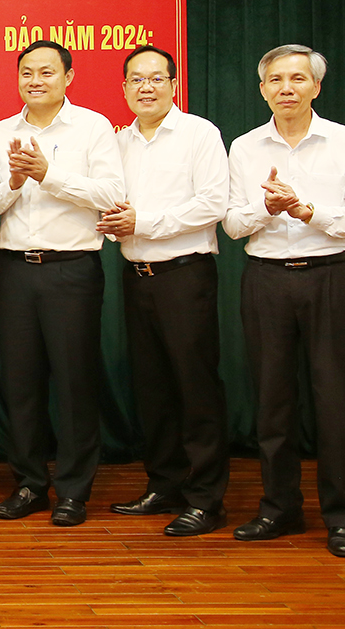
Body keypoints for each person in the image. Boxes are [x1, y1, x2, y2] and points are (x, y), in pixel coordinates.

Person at [223, 44, 345, 558]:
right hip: (266, 280)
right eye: (275, 80)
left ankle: (343, 518)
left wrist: (307, 211)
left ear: (316, 86)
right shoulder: (245, 147)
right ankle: (279, 508)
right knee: (272, 402)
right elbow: (233, 224)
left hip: (332, 277)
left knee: (336, 403)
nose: (285, 88)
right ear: (262, 89)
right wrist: (270, 209)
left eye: (297, 78)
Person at [0, 39, 125, 527]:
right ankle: (28, 483)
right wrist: (14, 183)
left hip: (72, 269)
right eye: (27, 72)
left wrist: (48, 175)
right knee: (20, 383)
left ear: (68, 77)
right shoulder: (0, 133)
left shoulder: (93, 127)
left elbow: (111, 193)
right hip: (14, 269)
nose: (35, 80)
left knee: (74, 382)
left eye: (46, 72)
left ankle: (73, 490)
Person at [96, 46, 231, 536]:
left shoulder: (199, 133)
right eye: (136, 79)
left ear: (174, 84)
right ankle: (164, 484)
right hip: (137, 277)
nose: (146, 87)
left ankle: (206, 498)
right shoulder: (118, 142)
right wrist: (115, 224)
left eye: (156, 78)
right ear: (124, 88)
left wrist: (144, 222)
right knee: (152, 388)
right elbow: (111, 204)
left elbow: (213, 203)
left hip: (185, 276)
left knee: (195, 387)